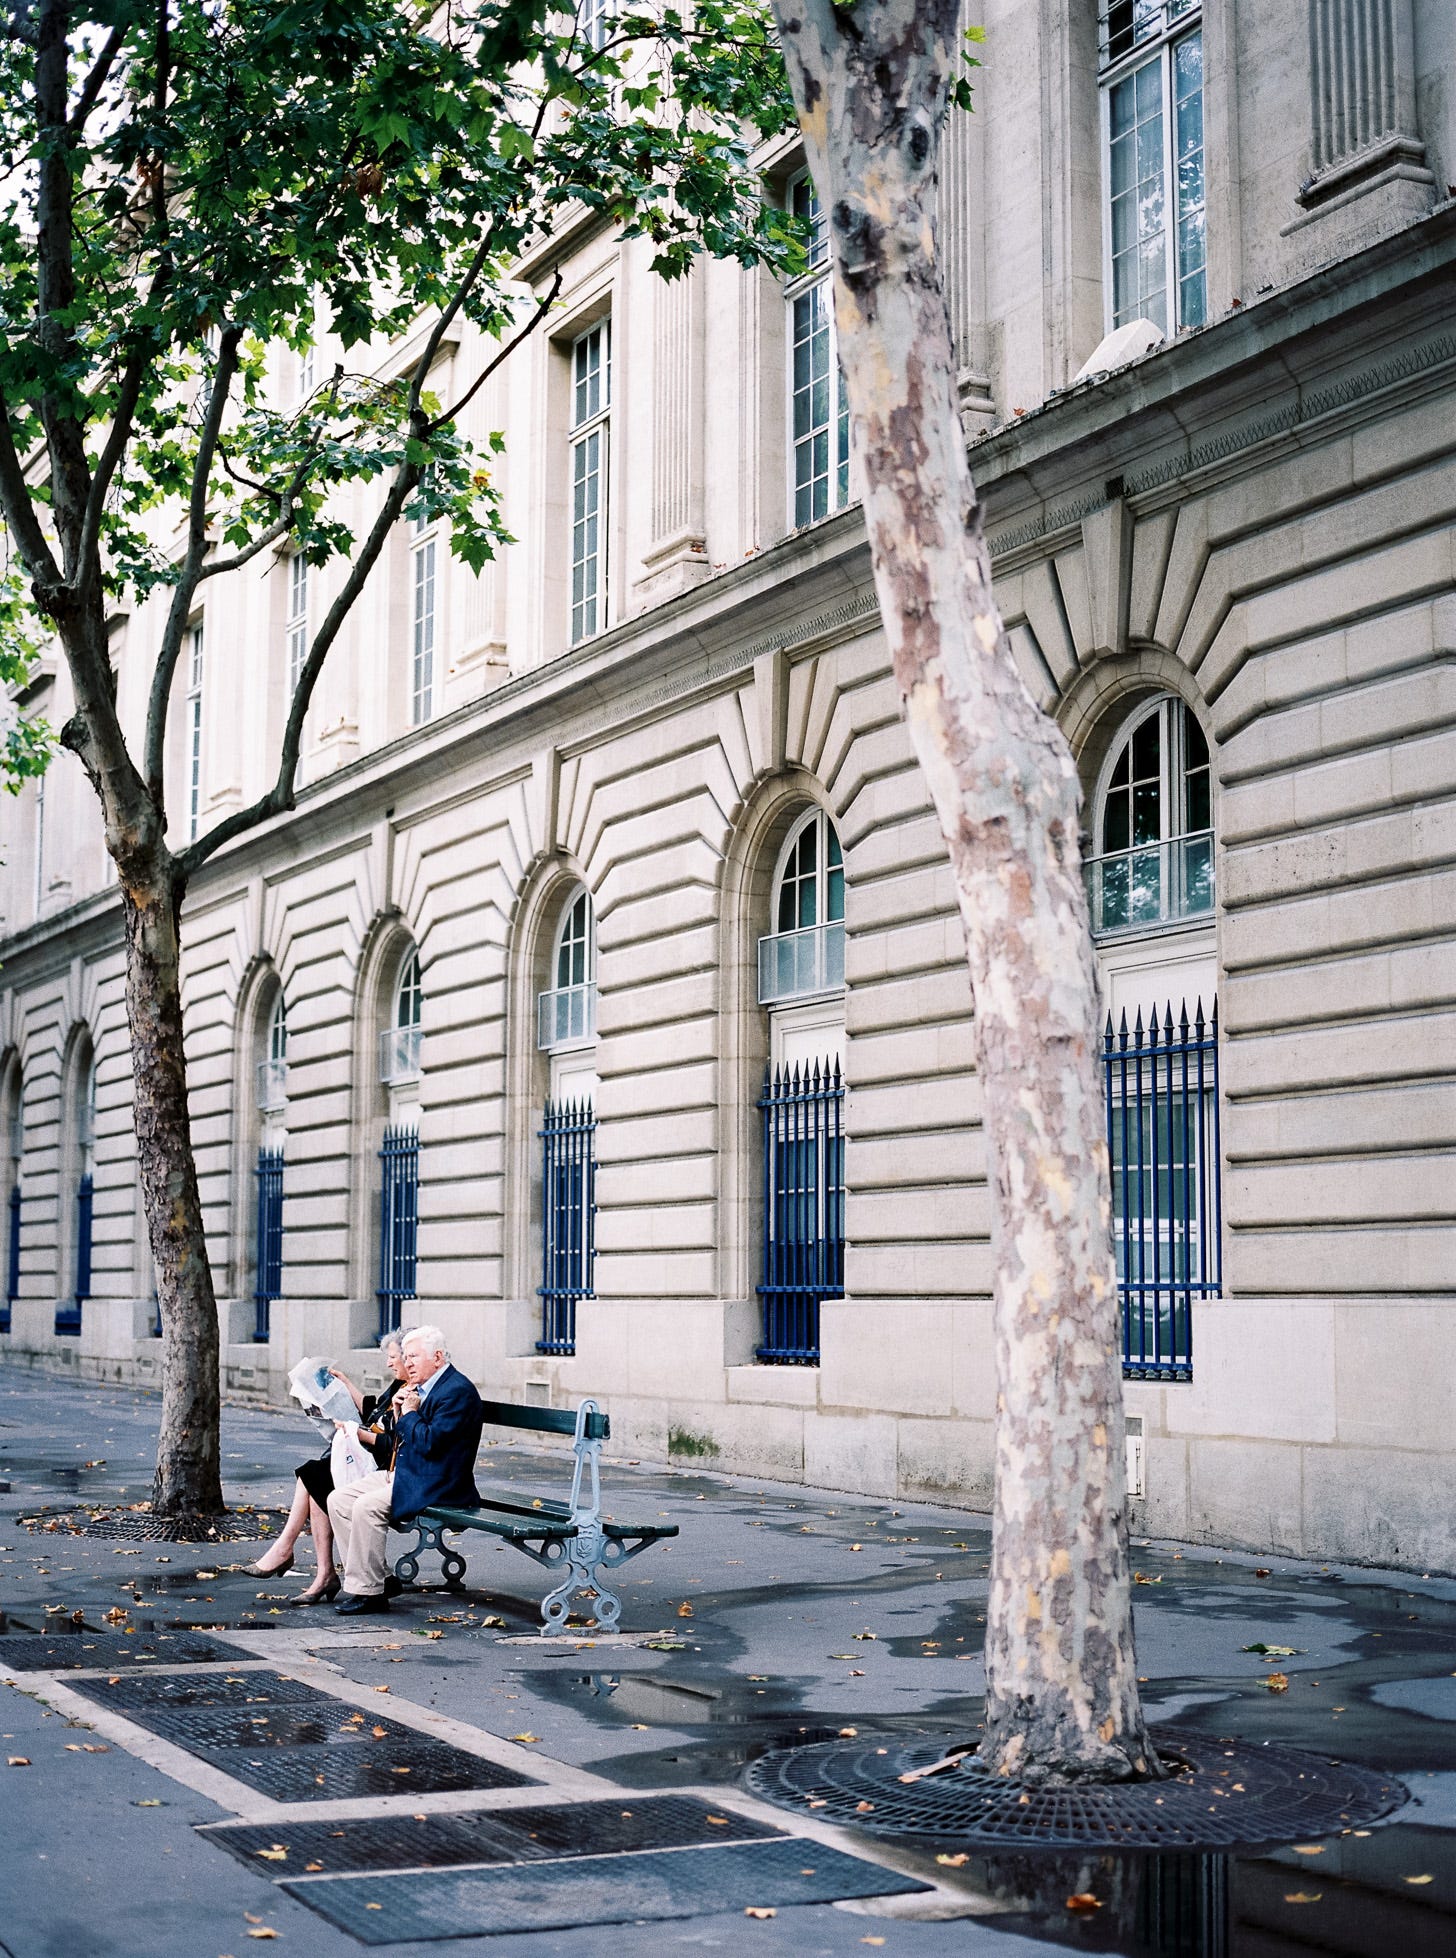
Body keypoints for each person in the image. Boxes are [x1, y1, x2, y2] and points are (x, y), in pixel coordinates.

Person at [243, 1331, 413, 1605]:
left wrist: (359, 1435)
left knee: (313, 1476)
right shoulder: (398, 1385)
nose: (389, 1364)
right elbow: (372, 1412)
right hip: (369, 1459)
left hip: (382, 1465)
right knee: (314, 1477)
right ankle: (322, 1572)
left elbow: (395, 1441)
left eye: (393, 1357)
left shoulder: (413, 1391)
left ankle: (292, 1553)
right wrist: (345, 1385)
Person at [326, 1324, 483, 1615]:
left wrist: (408, 1413)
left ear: (437, 1358)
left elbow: (429, 1444)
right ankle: (381, 1579)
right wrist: (399, 1411)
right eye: (406, 1357)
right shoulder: (423, 1387)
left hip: (440, 1483)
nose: (406, 1363)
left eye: (413, 1357)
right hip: (413, 1473)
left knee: (366, 1506)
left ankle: (369, 1593)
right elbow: (407, 1439)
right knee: (338, 1500)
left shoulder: (456, 1392)